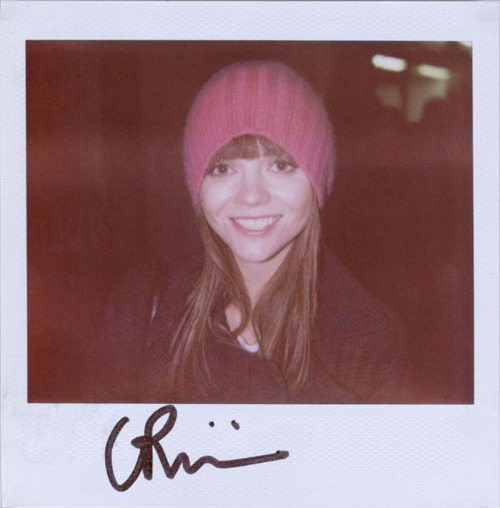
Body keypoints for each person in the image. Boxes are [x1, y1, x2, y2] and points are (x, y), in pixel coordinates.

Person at [97, 60, 411, 404]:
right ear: (196, 187)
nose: (251, 196)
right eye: (223, 168)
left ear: (317, 182)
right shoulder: (141, 310)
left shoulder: (370, 344)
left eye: (281, 165)